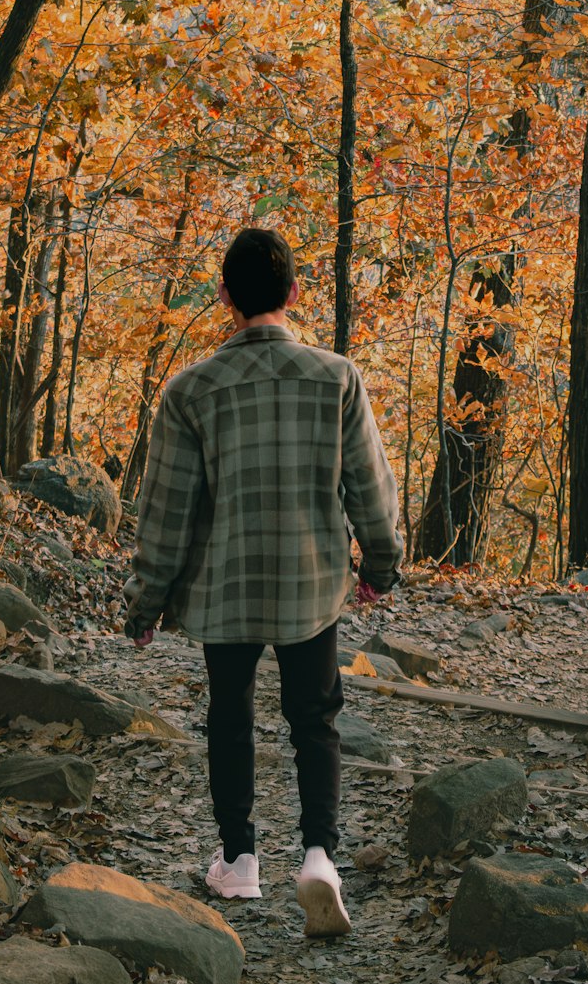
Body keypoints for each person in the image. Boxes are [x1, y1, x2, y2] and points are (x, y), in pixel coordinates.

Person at [123, 227, 403, 937]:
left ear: (225, 297)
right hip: (311, 582)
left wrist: (146, 601)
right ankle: (318, 855)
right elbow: (370, 483)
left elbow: (167, 509)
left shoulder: (189, 390)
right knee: (317, 717)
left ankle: (240, 857)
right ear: (294, 292)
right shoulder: (337, 376)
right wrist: (379, 564)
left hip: (227, 585)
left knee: (230, 715)